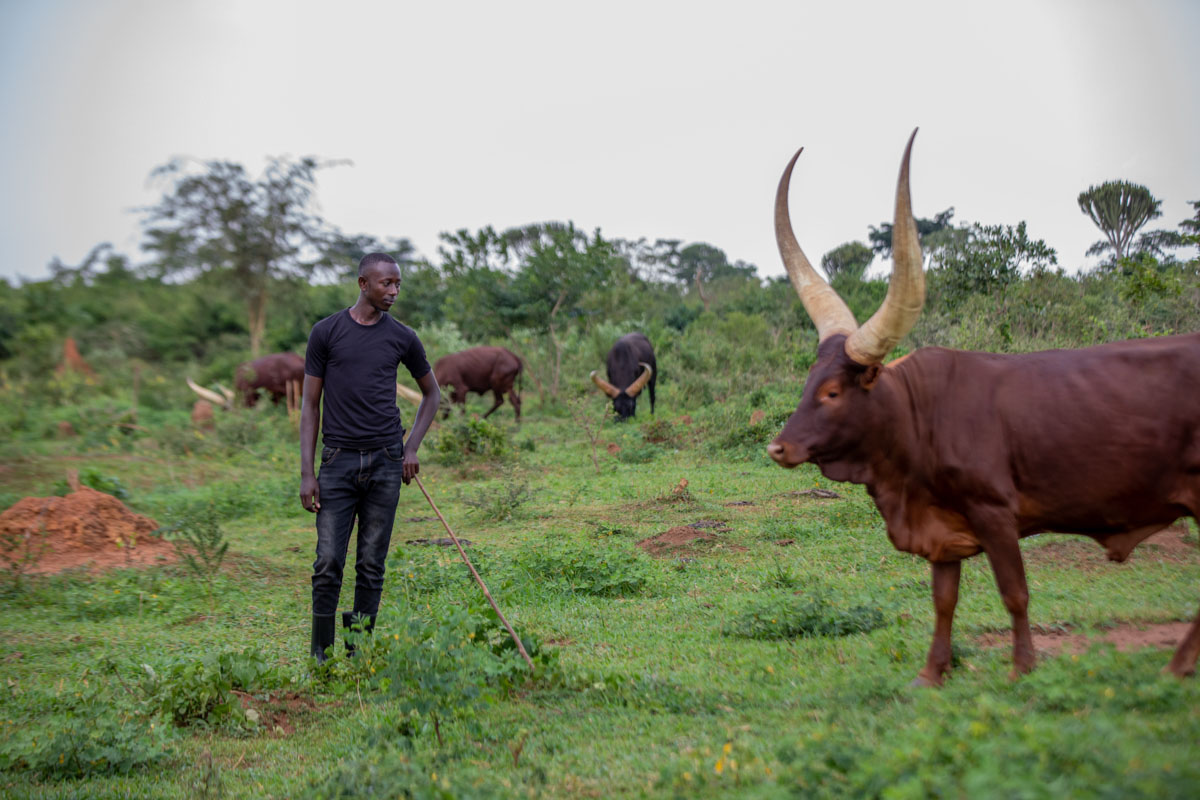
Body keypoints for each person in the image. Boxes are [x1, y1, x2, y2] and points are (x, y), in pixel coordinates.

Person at [299, 252, 440, 662]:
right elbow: (310, 406)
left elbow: (432, 394)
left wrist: (410, 447)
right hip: (338, 463)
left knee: (371, 564)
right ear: (363, 284)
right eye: (386, 284)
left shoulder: (402, 337)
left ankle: (358, 652)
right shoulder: (326, 333)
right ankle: (320, 656)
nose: (394, 291)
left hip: (385, 463)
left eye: (398, 284)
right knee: (327, 561)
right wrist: (308, 473)